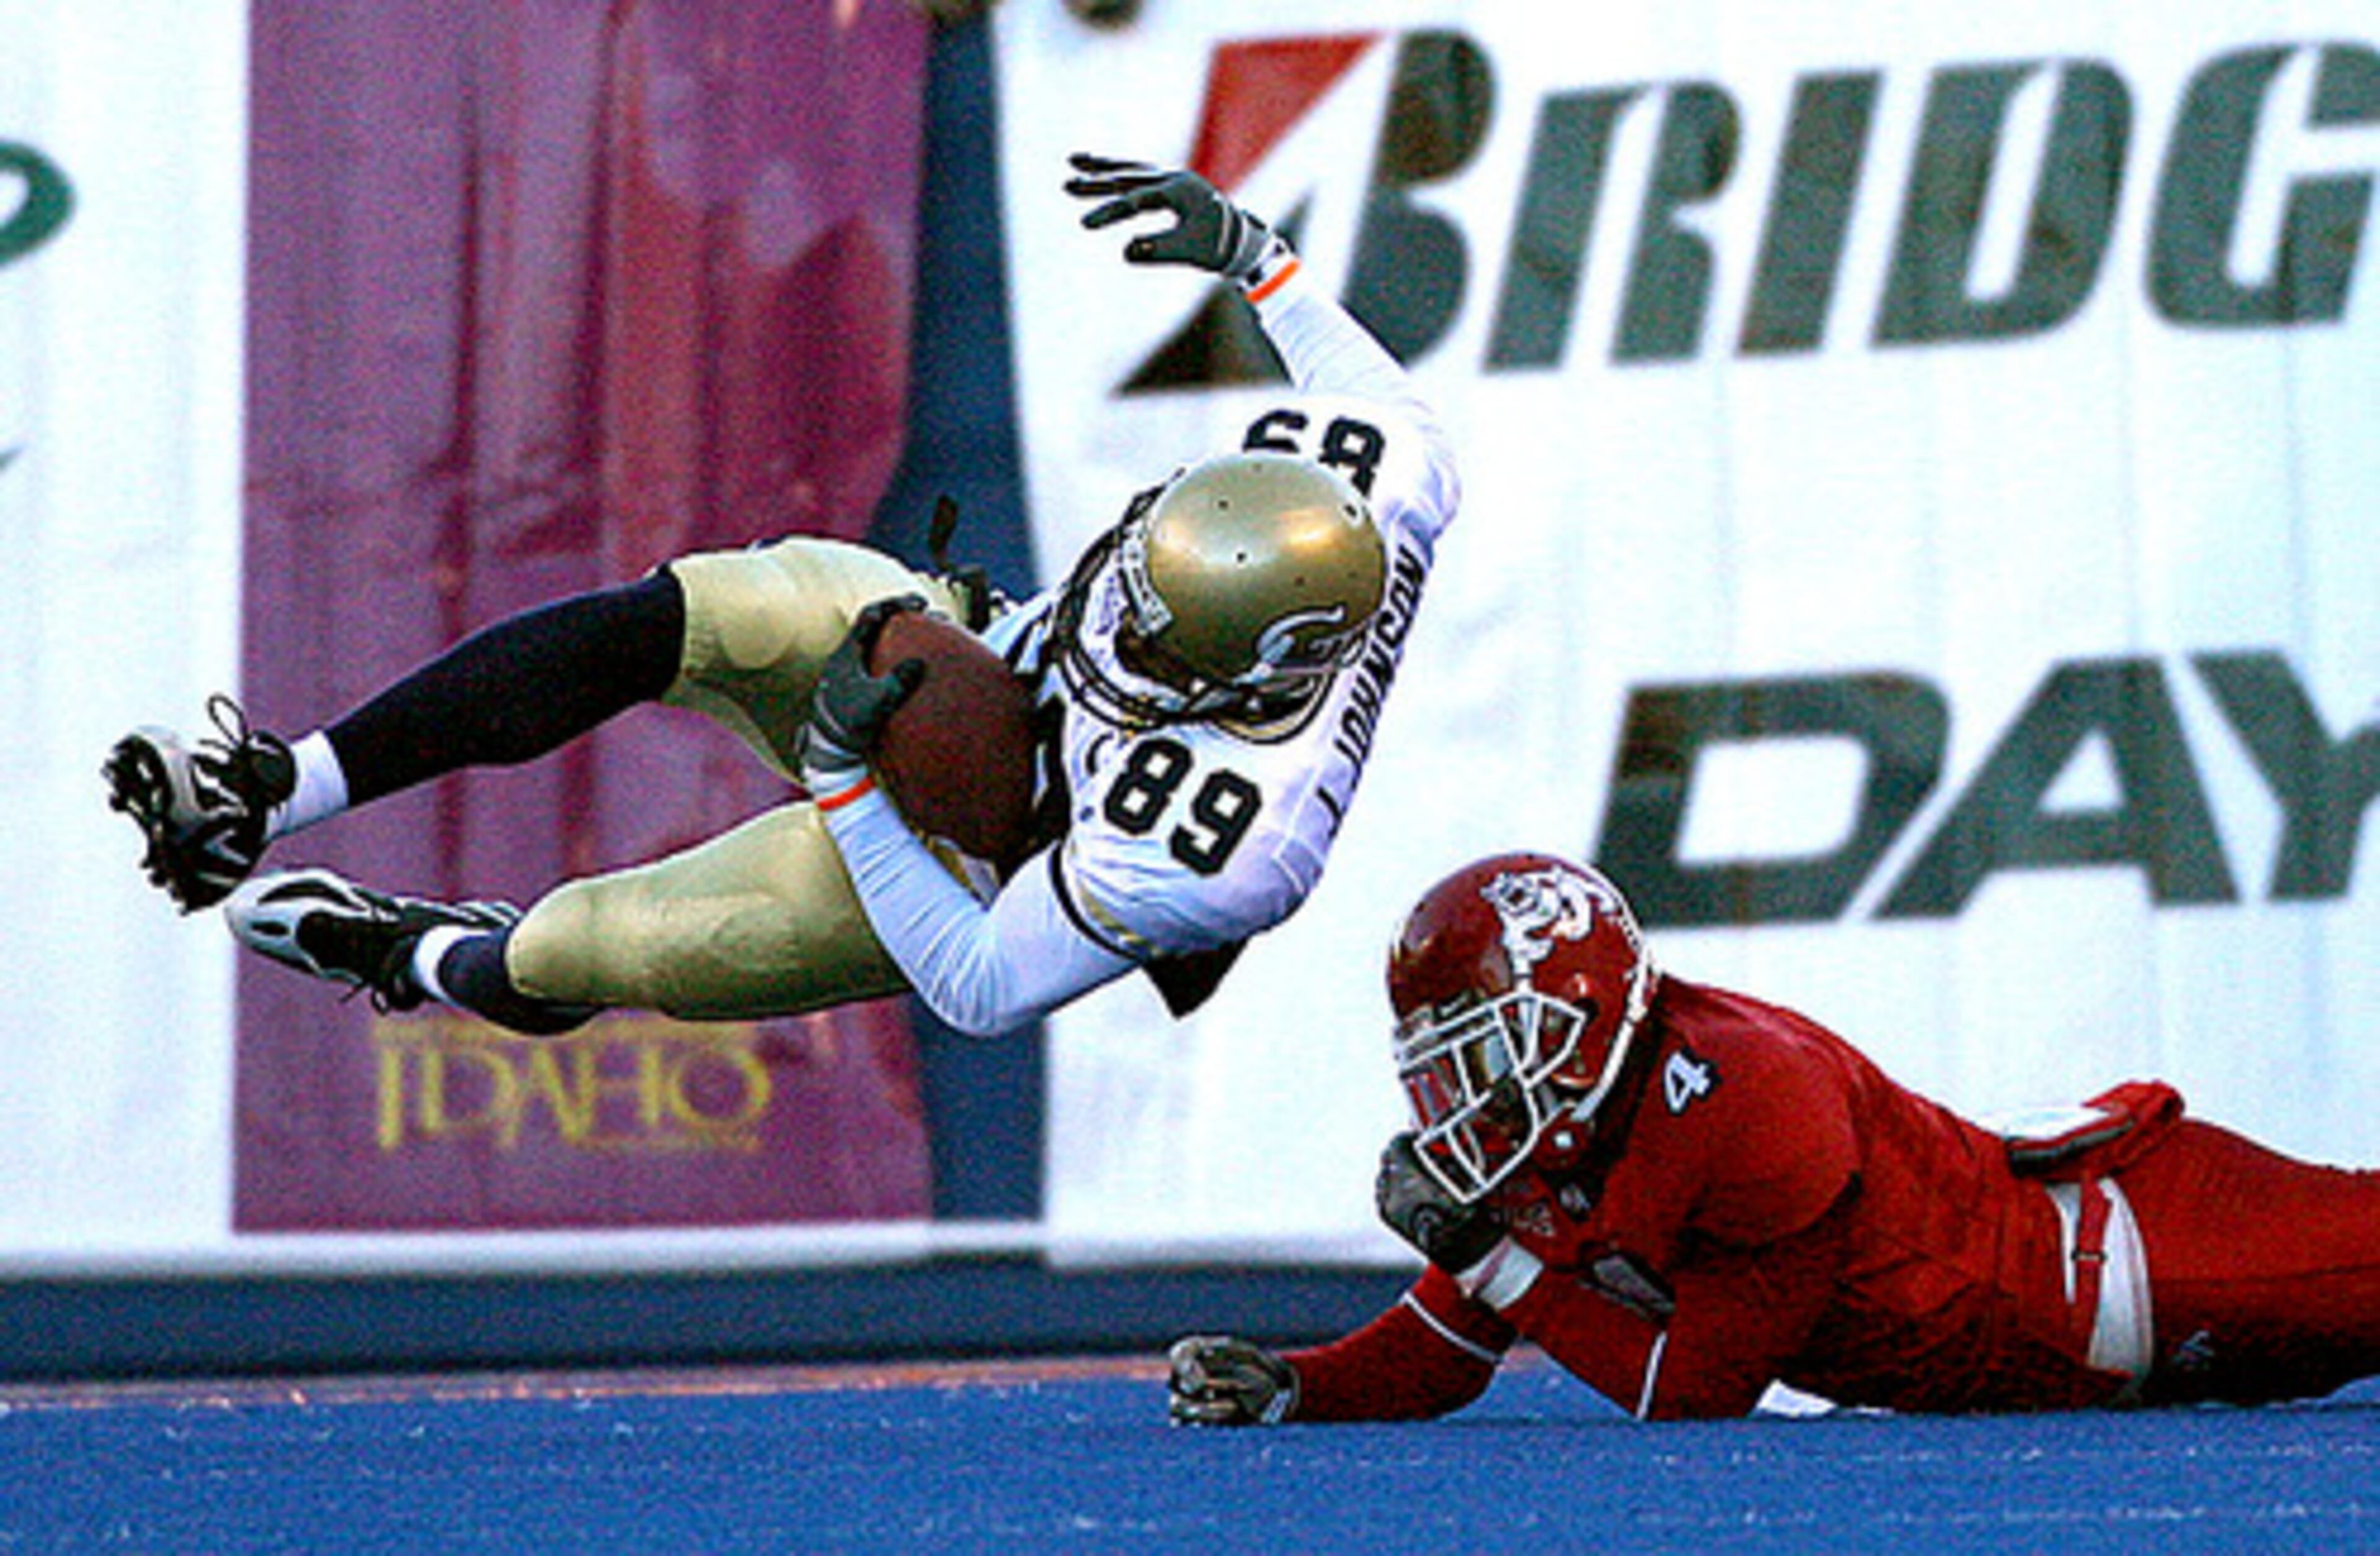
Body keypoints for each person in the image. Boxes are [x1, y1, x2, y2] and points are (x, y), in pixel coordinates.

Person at [103, 154, 1460, 1039]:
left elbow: (984, 985)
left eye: (1161, 635)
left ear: (1243, 679)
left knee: (597, 941)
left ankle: (425, 960)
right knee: (726, 610)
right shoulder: (1360, 484)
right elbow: (1378, 398)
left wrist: (848, 781)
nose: (1129, 616)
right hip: (962, 664)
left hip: (969, 847)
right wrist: (1259, 259)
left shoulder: (1235, 836)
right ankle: (272, 791)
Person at [1167, 850, 2380, 1424]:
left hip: (2123, 1265)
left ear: (1582, 1016)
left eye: (1489, 1048)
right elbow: (1446, 1346)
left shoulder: (1750, 1095)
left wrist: (1493, 1256)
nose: (1468, 1093)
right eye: (1450, 1062)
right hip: (2049, 1347)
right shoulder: (1559, 1130)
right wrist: (1297, 1385)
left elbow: (1693, 1391)